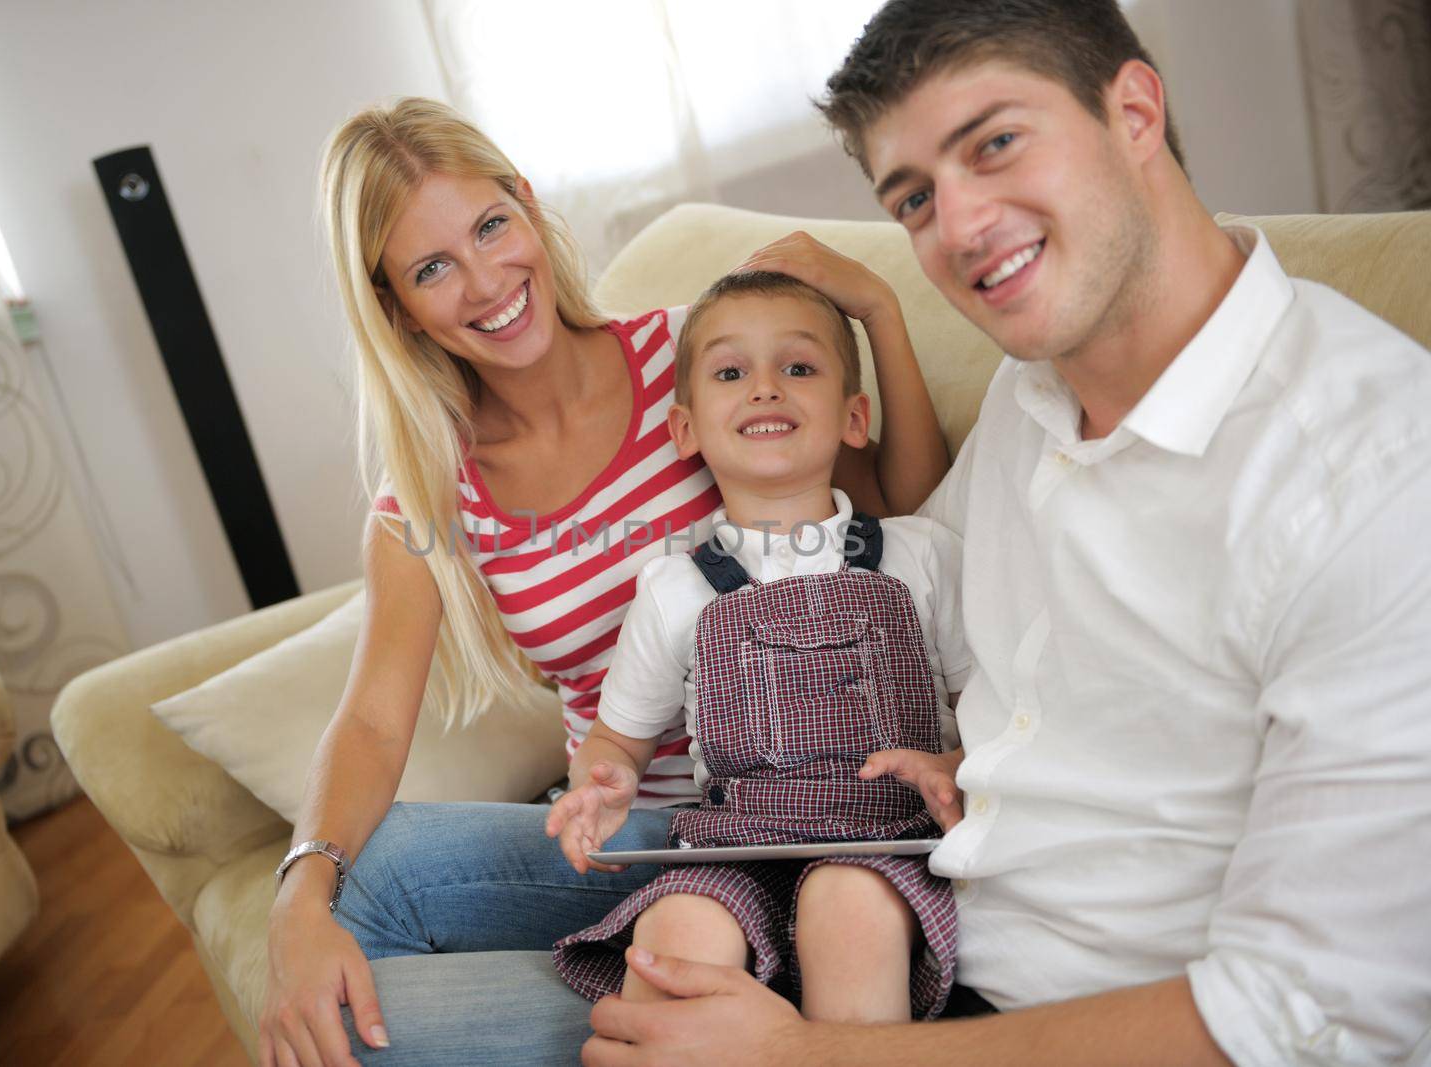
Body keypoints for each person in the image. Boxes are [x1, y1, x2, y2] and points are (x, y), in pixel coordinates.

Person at [574, 1, 1431, 1065]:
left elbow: (1308, 1017)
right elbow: (904, 578)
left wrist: (802, 1054)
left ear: (1133, 111)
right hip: (874, 888)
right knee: (390, 906)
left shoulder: (1376, 471)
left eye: (994, 144)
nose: (963, 225)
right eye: (915, 197)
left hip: (991, 1010)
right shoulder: (1033, 401)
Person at [258, 97, 952, 1067]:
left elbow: (890, 517)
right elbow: (373, 719)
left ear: (529, 208)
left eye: (491, 226)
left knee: (362, 1016)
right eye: (431, 267)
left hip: (801, 798)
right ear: (394, 304)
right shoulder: (428, 487)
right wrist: (299, 891)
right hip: (632, 833)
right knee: (372, 877)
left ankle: (722, 1002)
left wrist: (877, 309)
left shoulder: (698, 358)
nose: (486, 279)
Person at [545, 271, 974, 1023]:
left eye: (798, 367)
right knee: (672, 931)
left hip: (887, 849)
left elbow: (991, 711)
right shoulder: (674, 588)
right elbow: (616, 739)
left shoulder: (921, 554)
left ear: (853, 416)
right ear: (686, 429)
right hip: (735, 852)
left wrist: (958, 767)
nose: (766, 388)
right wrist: (601, 782)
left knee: (847, 907)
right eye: (731, 372)